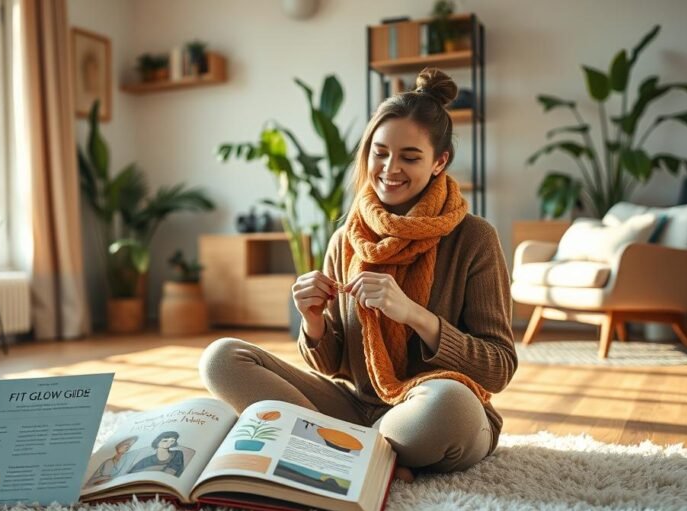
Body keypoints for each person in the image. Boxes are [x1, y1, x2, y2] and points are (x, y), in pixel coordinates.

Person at [200, 68, 516, 478]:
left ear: (440, 162)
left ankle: (333, 449)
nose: (389, 168)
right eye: (379, 152)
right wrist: (313, 322)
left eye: (410, 156)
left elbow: (498, 366)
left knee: (447, 408)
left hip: (431, 408)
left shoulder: (474, 237)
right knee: (221, 359)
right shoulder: (347, 238)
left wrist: (414, 314)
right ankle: (371, 457)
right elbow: (333, 367)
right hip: (357, 408)